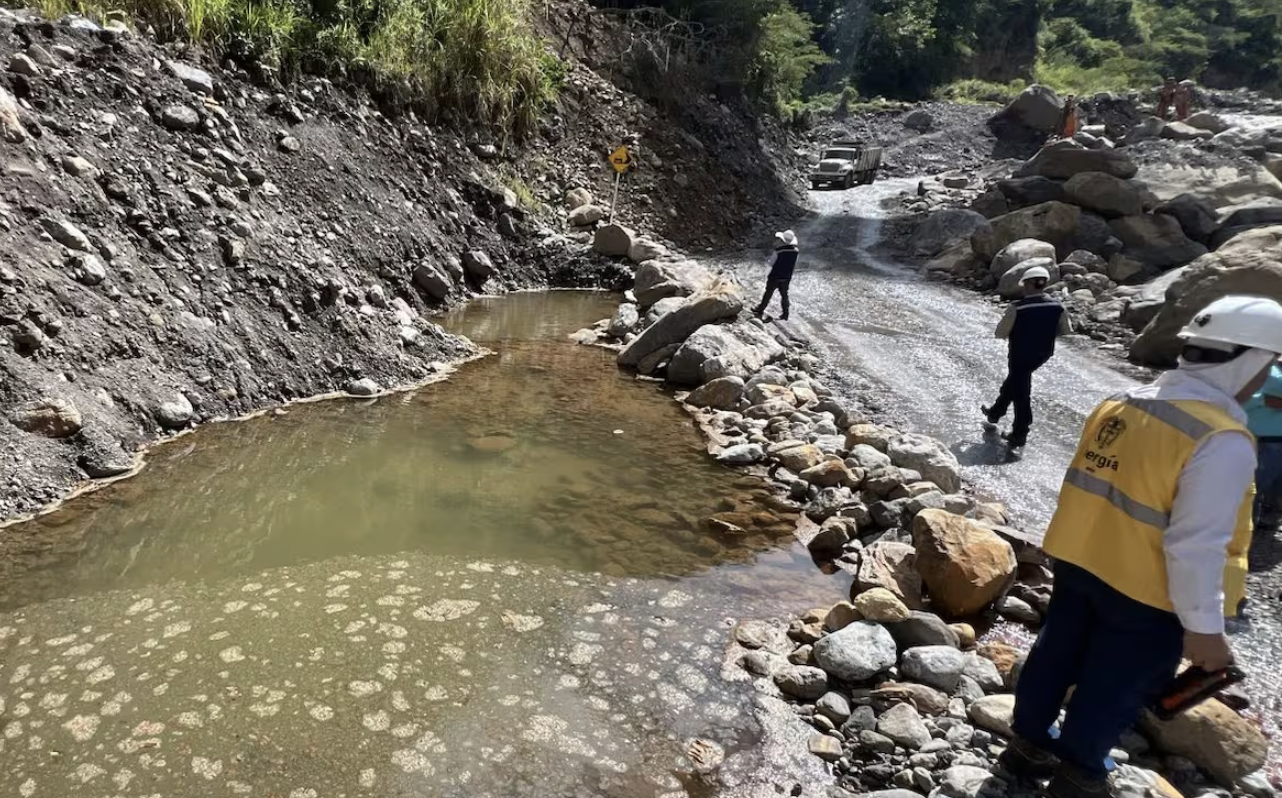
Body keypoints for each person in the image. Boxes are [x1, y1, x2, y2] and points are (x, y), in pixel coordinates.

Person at [998, 295, 1282, 798]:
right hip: (1148, 594)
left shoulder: (1120, 402)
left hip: (1080, 562)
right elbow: (1195, 546)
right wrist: (1205, 632)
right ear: (1251, 362)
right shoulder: (1221, 439)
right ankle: (1078, 773)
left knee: (1054, 657)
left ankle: (1027, 744)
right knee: (1114, 687)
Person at [982, 266, 1072, 449]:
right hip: (1042, 354)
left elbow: (1000, 333)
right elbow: (1066, 331)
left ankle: (1019, 433)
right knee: (1016, 382)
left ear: (1029, 284)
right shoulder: (1058, 306)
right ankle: (995, 413)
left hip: (1019, 354)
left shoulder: (1018, 308)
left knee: (1022, 392)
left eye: (1024, 284)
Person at [1243, 360, 1282, 528]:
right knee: (1256, 484)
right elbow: (1250, 397)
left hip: (1275, 439)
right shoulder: (1264, 367)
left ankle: (1267, 519)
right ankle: (1246, 525)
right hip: (1265, 438)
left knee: (1274, 485)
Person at [753, 230, 799, 321]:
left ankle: (760, 309)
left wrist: (766, 274)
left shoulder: (778, 251)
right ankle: (785, 314)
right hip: (786, 277)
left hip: (774, 276)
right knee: (784, 295)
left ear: (782, 241)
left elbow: (771, 263)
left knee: (768, 293)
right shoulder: (796, 251)